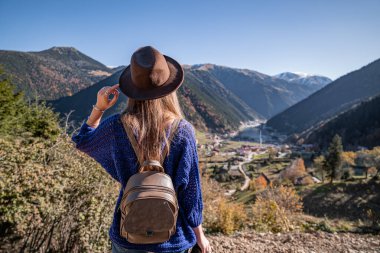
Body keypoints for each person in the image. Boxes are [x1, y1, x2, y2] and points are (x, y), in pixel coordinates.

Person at [71, 46, 211, 253]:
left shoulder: (116, 127)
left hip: (127, 234)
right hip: (172, 239)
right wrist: (200, 235)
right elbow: (190, 192)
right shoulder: (183, 131)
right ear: (170, 88)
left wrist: (99, 108)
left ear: (132, 90)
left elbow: (82, 141)